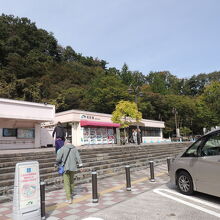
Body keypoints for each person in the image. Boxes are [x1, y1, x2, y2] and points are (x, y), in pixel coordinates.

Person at [56, 138, 83, 204]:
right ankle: (70, 193)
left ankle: (69, 198)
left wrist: (58, 161)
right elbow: (78, 158)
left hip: (66, 168)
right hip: (73, 168)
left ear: (65, 143)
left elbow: (58, 158)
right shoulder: (74, 148)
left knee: (66, 183)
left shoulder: (63, 148)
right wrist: (81, 166)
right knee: (71, 181)